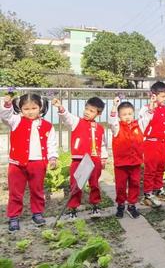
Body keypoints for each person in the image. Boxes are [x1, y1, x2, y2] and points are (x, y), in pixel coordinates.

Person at [1, 93, 58, 232]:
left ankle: (37, 213)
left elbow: (51, 143)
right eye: (26, 109)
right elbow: (5, 116)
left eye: (34, 108)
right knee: (16, 192)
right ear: (20, 109)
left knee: (37, 190)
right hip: (17, 164)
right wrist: (7, 105)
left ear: (41, 107)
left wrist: (53, 157)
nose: (30, 111)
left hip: (38, 163)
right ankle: (14, 217)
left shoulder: (47, 125)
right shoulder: (16, 121)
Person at [52, 96, 107, 219]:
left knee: (94, 184)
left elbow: (102, 144)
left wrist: (103, 158)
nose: (87, 112)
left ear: (99, 113)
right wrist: (60, 108)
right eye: (86, 109)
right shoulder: (77, 122)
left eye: (91, 111)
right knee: (76, 184)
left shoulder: (100, 128)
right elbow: (66, 117)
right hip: (79, 159)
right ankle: (73, 208)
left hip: (95, 159)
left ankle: (95, 205)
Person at [139, 81, 165, 207]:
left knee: (161, 166)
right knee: (150, 168)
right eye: (162, 96)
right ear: (153, 95)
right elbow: (143, 125)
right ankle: (147, 193)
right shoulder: (146, 109)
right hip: (151, 143)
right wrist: (151, 108)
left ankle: (158, 188)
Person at [109, 97, 143, 219]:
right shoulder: (116, 127)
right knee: (121, 185)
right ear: (119, 116)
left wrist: (152, 103)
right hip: (121, 164)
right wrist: (114, 105)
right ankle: (120, 205)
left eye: (129, 114)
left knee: (135, 184)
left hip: (135, 162)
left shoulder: (139, 126)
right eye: (124, 114)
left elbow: (148, 116)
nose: (127, 116)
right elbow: (111, 121)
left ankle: (132, 205)